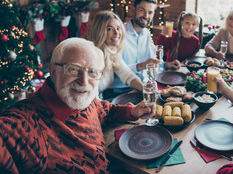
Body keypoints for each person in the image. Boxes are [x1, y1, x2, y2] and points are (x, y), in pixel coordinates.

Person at [0, 38, 155, 173]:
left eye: (93, 72)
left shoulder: (85, 100)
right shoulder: (25, 124)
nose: (84, 81)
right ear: (53, 72)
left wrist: (132, 112)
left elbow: (104, 110)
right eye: (73, 69)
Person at [121, 0, 180, 79]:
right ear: (133, 10)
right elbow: (114, 70)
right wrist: (141, 66)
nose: (146, 16)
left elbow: (153, 58)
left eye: (150, 12)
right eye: (142, 10)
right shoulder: (119, 33)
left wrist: (167, 65)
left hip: (143, 84)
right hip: (122, 89)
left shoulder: (146, 33)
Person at [85, 11, 143, 94]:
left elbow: (127, 75)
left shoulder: (112, 52)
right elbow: (89, 93)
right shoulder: (92, 56)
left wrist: (145, 89)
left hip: (102, 100)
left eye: (118, 28)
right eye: (110, 29)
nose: (117, 33)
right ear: (100, 32)